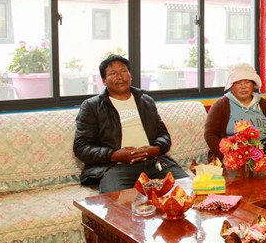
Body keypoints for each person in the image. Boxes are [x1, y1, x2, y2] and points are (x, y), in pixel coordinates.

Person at [73, 55, 188, 193]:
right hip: (116, 167)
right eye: (113, 73)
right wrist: (114, 155)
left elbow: (163, 134)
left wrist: (155, 149)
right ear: (104, 80)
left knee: (190, 190)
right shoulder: (92, 106)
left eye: (123, 71)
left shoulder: (146, 101)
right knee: (116, 202)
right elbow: (81, 147)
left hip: (155, 163)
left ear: (130, 75)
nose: (120, 76)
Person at [204, 62, 266, 161]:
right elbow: (209, 134)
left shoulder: (264, 104)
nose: (243, 86)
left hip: (262, 157)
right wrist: (227, 158)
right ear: (231, 86)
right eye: (238, 83)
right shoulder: (221, 105)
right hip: (231, 158)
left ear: (253, 84)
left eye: (247, 82)